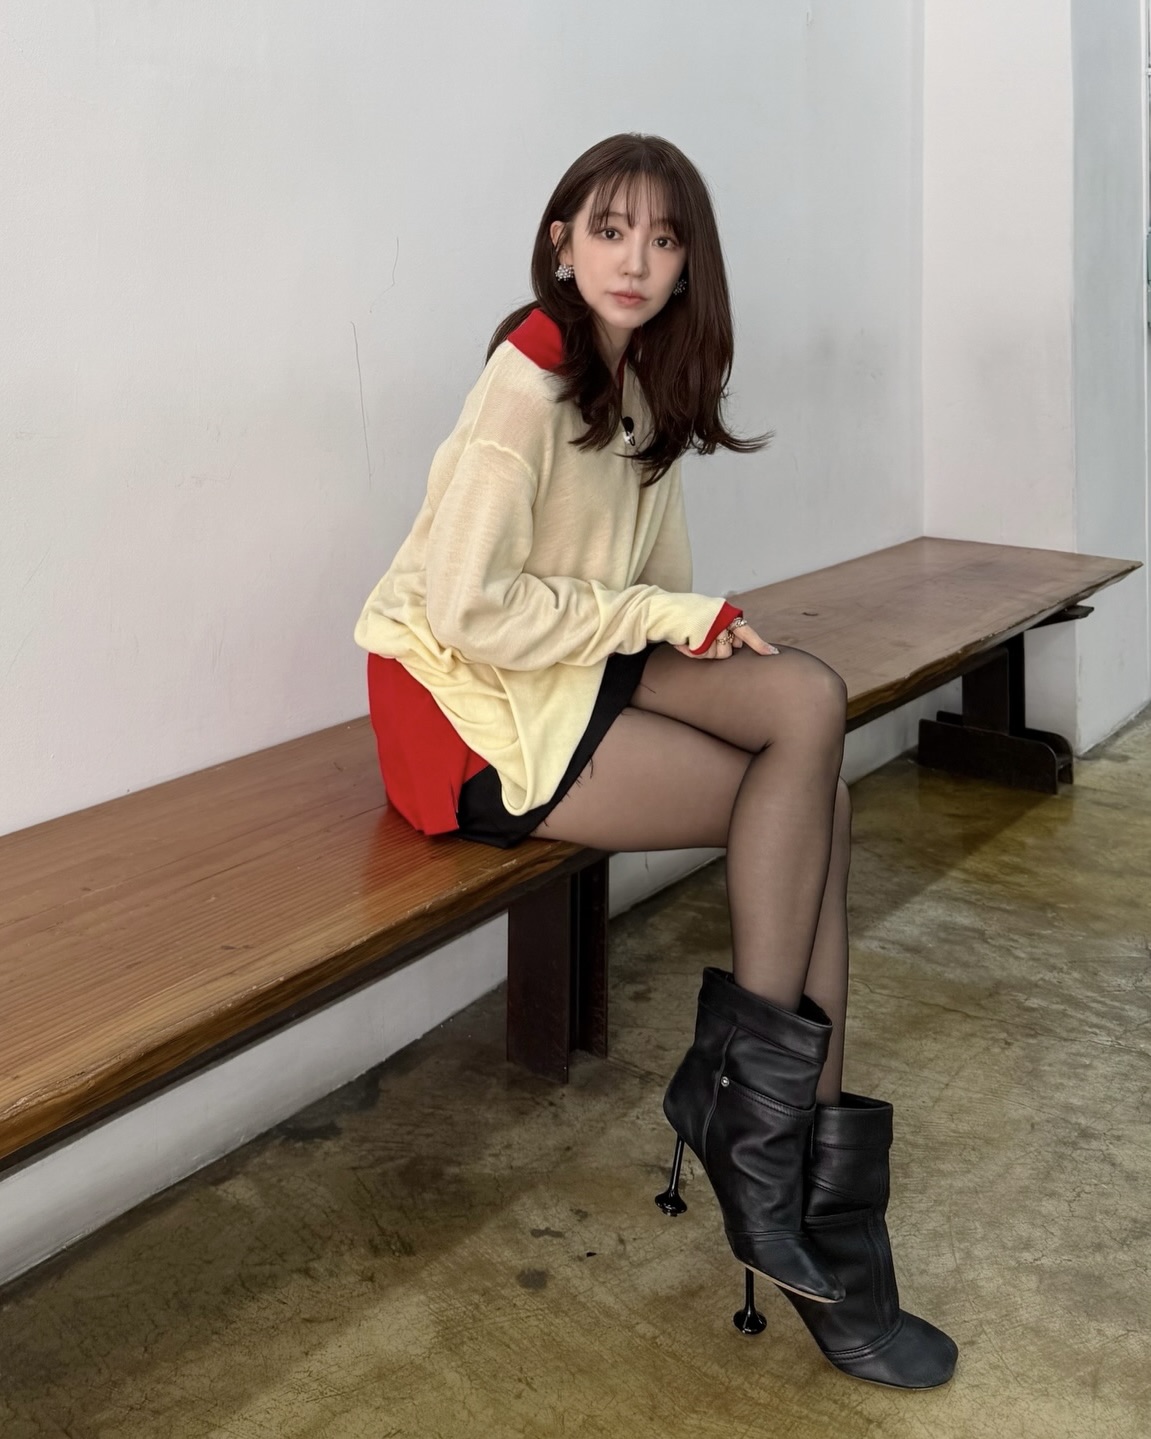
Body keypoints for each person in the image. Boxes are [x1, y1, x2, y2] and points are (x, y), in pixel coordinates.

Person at [354, 133, 956, 1389]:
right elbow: (466, 606)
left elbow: (651, 584)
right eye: (610, 228)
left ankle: (767, 1143)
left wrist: (698, 632)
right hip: (464, 713)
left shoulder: (639, 380)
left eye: (664, 238)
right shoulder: (526, 379)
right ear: (561, 242)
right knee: (809, 807)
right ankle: (788, 1180)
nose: (635, 258)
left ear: (689, 266)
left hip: (566, 666)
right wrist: (662, 621)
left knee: (806, 715)